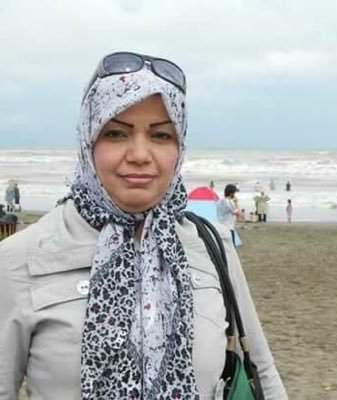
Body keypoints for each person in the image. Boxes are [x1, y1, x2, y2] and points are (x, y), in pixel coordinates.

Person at [0, 51, 287, 399]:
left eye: (161, 135)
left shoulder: (213, 245)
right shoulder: (19, 259)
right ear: (88, 141)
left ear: (179, 146)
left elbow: (263, 372)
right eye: (116, 134)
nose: (139, 154)